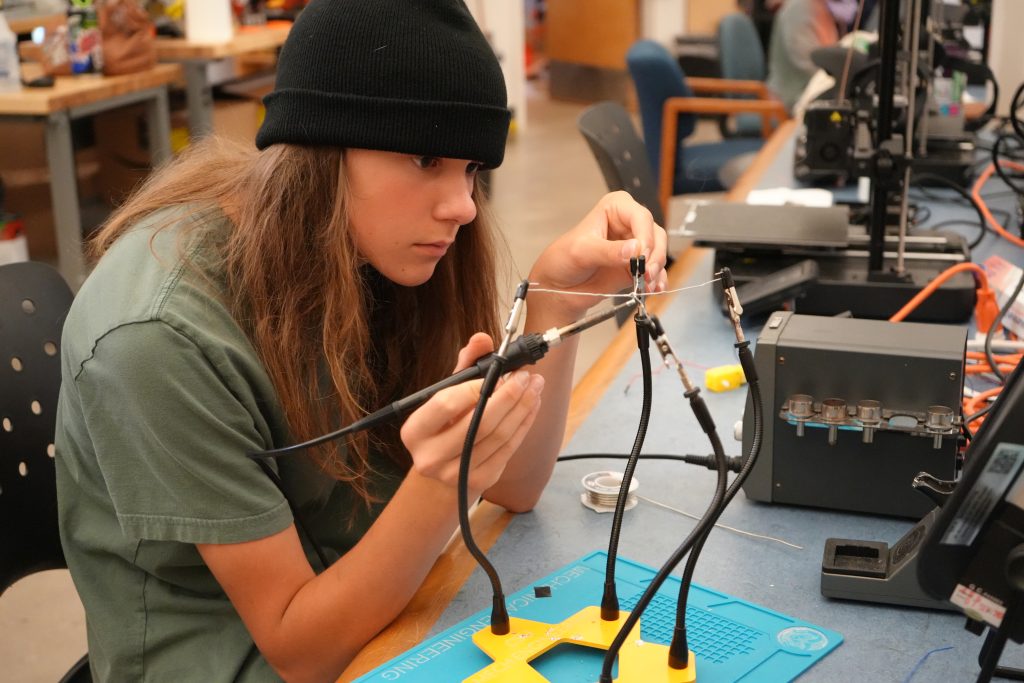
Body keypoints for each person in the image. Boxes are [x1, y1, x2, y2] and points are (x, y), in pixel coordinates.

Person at [54, 1, 668, 681]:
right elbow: (300, 648)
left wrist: (558, 292)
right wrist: (440, 482)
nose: (461, 204)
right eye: (426, 157)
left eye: (470, 169)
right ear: (322, 148)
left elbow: (516, 488)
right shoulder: (157, 337)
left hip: (387, 607)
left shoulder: (376, 248)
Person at [765, 0, 843, 112]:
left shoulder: (821, 7)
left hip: (809, 94)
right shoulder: (798, 9)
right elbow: (809, 63)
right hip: (789, 101)